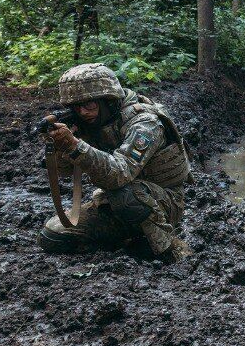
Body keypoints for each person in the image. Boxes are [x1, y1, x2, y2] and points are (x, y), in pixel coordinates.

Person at [38, 63, 190, 261]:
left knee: (125, 194)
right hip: (114, 199)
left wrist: (75, 146)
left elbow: (119, 175)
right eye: (76, 107)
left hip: (163, 201)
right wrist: (61, 147)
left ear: (108, 101)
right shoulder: (93, 121)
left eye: (90, 105)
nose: (83, 112)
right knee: (52, 236)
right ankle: (130, 240)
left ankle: (170, 248)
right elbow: (65, 171)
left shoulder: (145, 123)